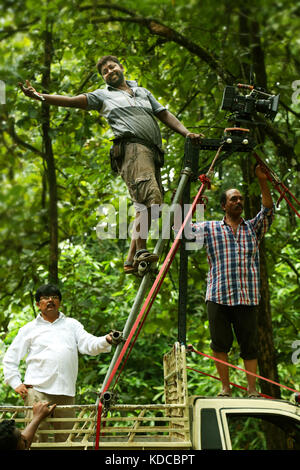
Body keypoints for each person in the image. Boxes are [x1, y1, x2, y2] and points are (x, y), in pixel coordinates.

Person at [18, 55, 203, 274]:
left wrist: (186, 133)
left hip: (152, 153)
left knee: (151, 204)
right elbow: (71, 100)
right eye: (104, 71)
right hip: (132, 149)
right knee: (150, 201)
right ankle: (140, 252)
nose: (109, 71)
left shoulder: (143, 92)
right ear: (104, 77)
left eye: (112, 66)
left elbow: (164, 114)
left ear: (121, 67)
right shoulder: (102, 96)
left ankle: (130, 261)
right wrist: (40, 96)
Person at [191, 164, 274, 397]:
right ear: (224, 205)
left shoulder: (253, 228)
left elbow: (268, 210)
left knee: (250, 346)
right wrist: (197, 202)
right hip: (218, 295)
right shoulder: (210, 228)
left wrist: (262, 180)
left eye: (240, 199)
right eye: (233, 199)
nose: (238, 202)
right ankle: (225, 388)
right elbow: (186, 230)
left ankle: (251, 389)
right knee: (220, 345)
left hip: (246, 297)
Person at [3, 284, 113, 442]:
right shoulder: (29, 329)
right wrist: (15, 382)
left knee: (66, 439)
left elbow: (89, 344)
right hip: (37, 391)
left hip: (66, 392)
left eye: (54, 297)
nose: (50, 301)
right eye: (45, 298)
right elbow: (11, 357)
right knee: (36, 438)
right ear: (38, 304)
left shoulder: (71, 325)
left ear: (60, 302)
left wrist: (107, 339)